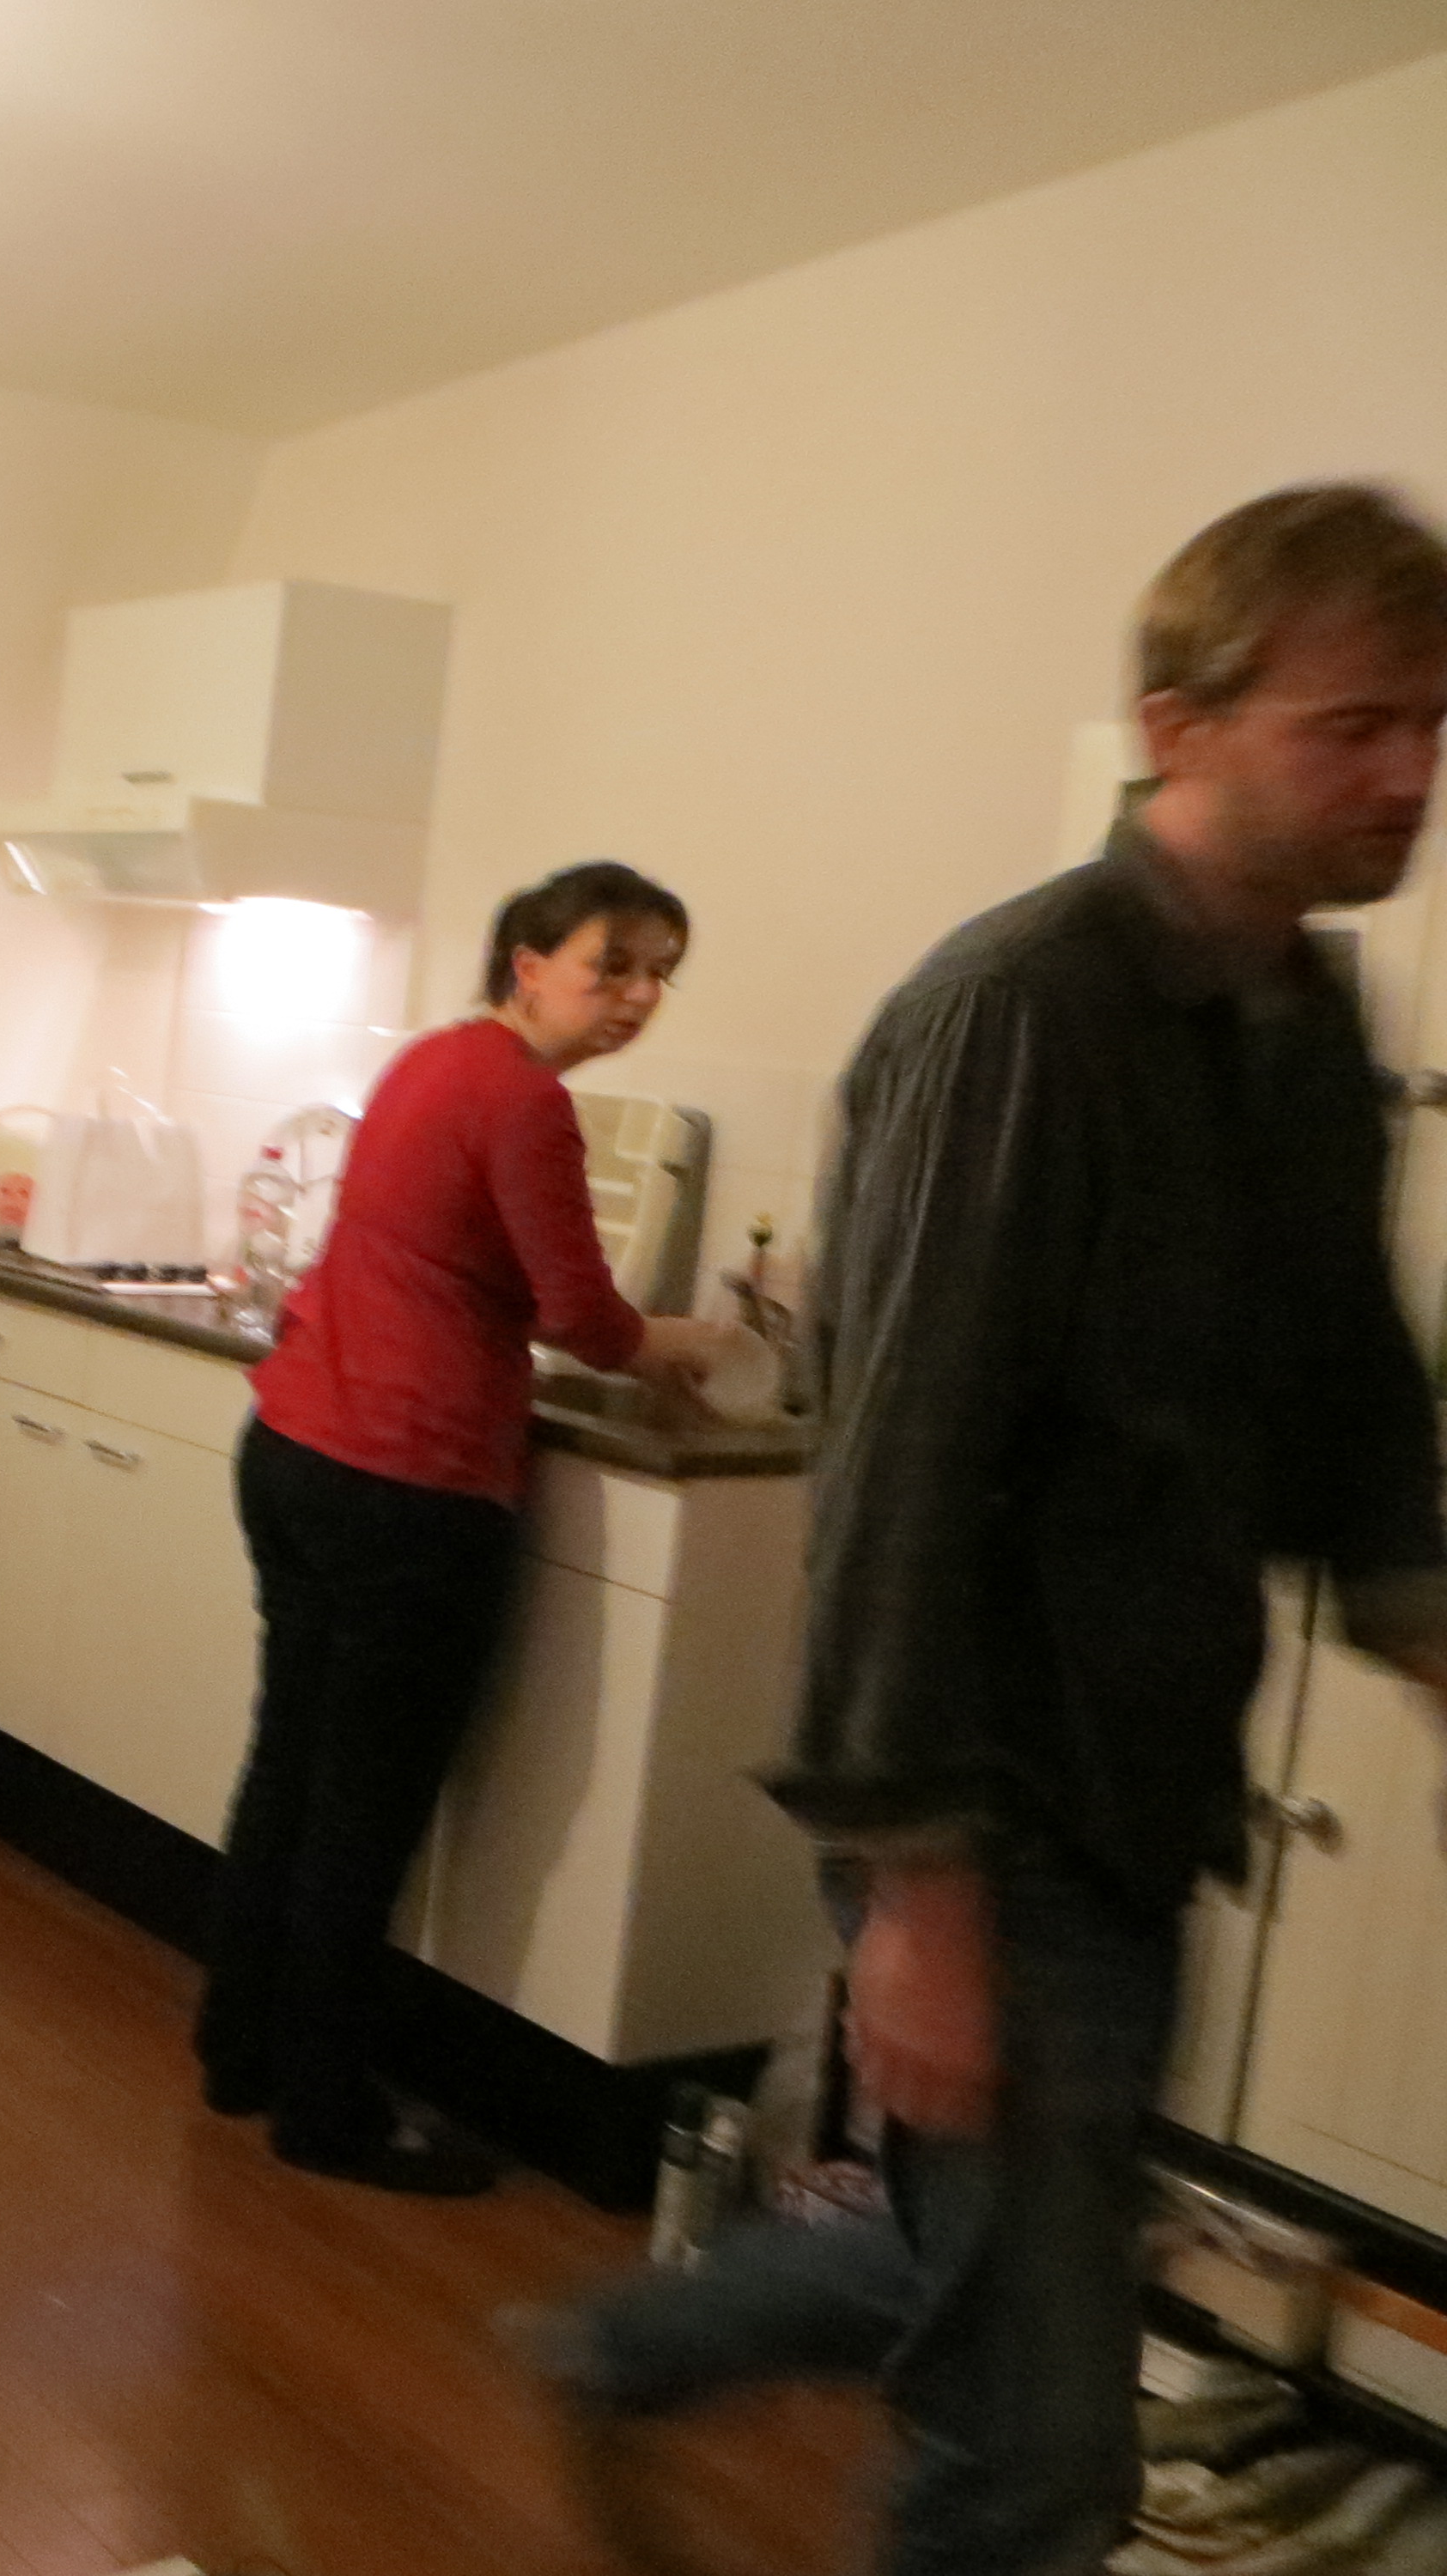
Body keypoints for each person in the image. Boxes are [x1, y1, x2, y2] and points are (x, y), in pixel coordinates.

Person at [524, 483, 1447, 2576]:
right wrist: (915, 1892)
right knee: (1034, 2457)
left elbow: (1340, 1388)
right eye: (1352, 724)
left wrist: (1422, 1627)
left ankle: (621, 2345)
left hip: (1140, 1789)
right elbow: (899, 1463)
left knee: (1012, 2236)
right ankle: (646, 2353)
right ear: (1176, 725)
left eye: (1430, 727)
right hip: (994, 1803)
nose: (1408, 775)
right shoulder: (1019, 1009)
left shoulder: (1302, 1022)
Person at [196, 861, 740, 2194]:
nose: (639, 996)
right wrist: (686, 1344)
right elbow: (583, 1317)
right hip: (408, 1481)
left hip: (298, 1447)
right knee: (363, 1806)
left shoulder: (434, 1062)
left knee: (290, 1764)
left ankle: (240, 2048)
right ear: (530, 964)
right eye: (614, 966)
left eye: (660, 974)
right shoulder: (526, 1100)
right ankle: (327, 2109)